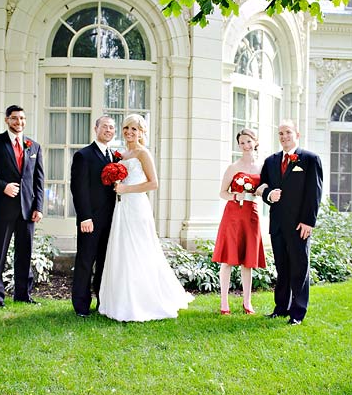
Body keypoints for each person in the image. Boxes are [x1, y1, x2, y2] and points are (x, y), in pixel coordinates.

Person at [97, 114, 193, 322]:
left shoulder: (143, 153)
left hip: (137, 207)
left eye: (134, 129)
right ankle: (120, 299)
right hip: (122, 208)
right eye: (126, 128)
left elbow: (154, 183)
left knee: (139, 249)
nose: (130, 132)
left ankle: (144, 300)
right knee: (122, 250)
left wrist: (126, 188)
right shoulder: (122, 155)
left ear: (142, 132)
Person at [258, 120, 324, 325]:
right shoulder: (271, 161)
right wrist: (269, 194)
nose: (284, 136)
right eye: (280, 133)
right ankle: (281, 308)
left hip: (299, 225)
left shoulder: (310, 159)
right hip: (277, 224)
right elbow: (262, 186)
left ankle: (298, 312)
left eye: (288, 132)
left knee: (299, 268)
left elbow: (315, 193)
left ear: (297, 134)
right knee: (282, 267)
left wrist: (308, 222)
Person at [0, 104, 45, 307]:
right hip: (3, 207)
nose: (19, 122)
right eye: (15, 118)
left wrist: (39, 207)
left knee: (25, 253)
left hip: (27, 209)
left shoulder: (33, 146)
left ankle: (23, 295)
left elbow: (38, 179)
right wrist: (3, 186)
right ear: (7, 120)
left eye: (22, 119)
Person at [212, 128, 266, 315]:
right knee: (227, 260)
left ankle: (247, 302)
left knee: (248, 261)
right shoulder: (233, 167)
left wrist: (260, 190)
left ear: (255, 142)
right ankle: (224, 303)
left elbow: (266, 187)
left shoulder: (262, 167)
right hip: (233, 214)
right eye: (242, 143)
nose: (245, 146)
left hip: (252, 214)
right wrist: (236, 195)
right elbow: (222, 192)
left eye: (248, 141)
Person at [70, 115, 118, 318]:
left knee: (105, 262)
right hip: (91, 219)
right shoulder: (84, 155)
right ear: (95, 128)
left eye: (112, 127)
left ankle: (102, 301)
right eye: (105, 126)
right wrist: (85, 217)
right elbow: (78, 189)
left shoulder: (115, 157)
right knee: (85, 261)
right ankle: (81, 305)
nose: (109, 130)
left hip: (113, 219)